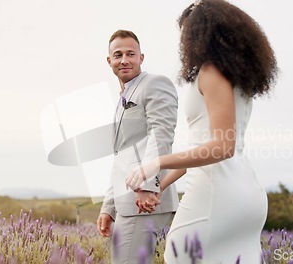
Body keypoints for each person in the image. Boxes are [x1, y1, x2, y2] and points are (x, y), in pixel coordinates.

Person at [126, 0, 278, 263]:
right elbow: (206, 151)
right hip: (245, 193)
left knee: (178, 255)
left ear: (199, 34)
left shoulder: (211, 72)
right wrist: (160, 185)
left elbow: (222, 147)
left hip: (216, 195)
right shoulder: (238, 78)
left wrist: (155, 163)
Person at [97, 29, 179, 264]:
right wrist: (108, 207)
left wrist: (146, 185)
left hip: (143, 200)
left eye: (131, 54)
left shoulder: (154, 84)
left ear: (141, 58)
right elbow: (122, 157)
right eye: (118, 54)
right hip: (128, 202)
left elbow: (161, 134)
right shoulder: (122, 99)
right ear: (109, 60)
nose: (124, 60)